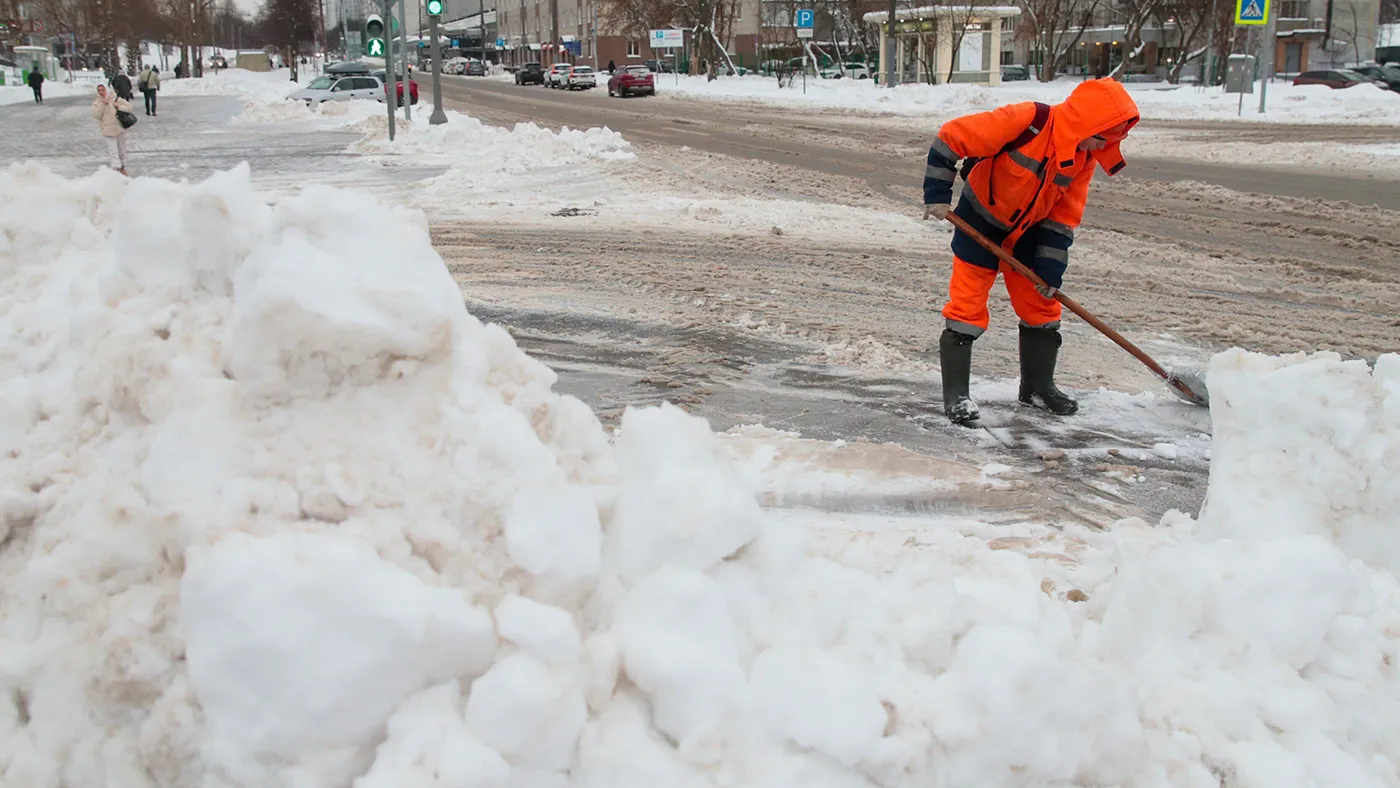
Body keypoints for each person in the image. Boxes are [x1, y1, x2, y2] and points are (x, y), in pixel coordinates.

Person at [921, 78, 1139, 425]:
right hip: (979, 224)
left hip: (1026, 235)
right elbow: (951, 136)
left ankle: (1037, 388)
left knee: (1042, 308)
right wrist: (936, 193)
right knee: (966, 307)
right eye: (1101, 137)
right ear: (1086, 123)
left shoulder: (1083, 158)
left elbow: (1064, 216)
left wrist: (1050, 270)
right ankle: (957, 397)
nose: (1101, 147)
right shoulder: (1027, 120)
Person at [91, 84, 133, 176]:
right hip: (107, 130)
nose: (101, 92)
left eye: (103, 90)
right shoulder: (97, 102)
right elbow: (96, 115)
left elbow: (129, 108)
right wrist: (103, 104)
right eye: (99, 90)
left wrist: (118, 106)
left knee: (122, 150)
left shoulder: (116, 99)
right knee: (113, 150)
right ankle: (116, 169)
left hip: (119, 128)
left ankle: (122, 167)